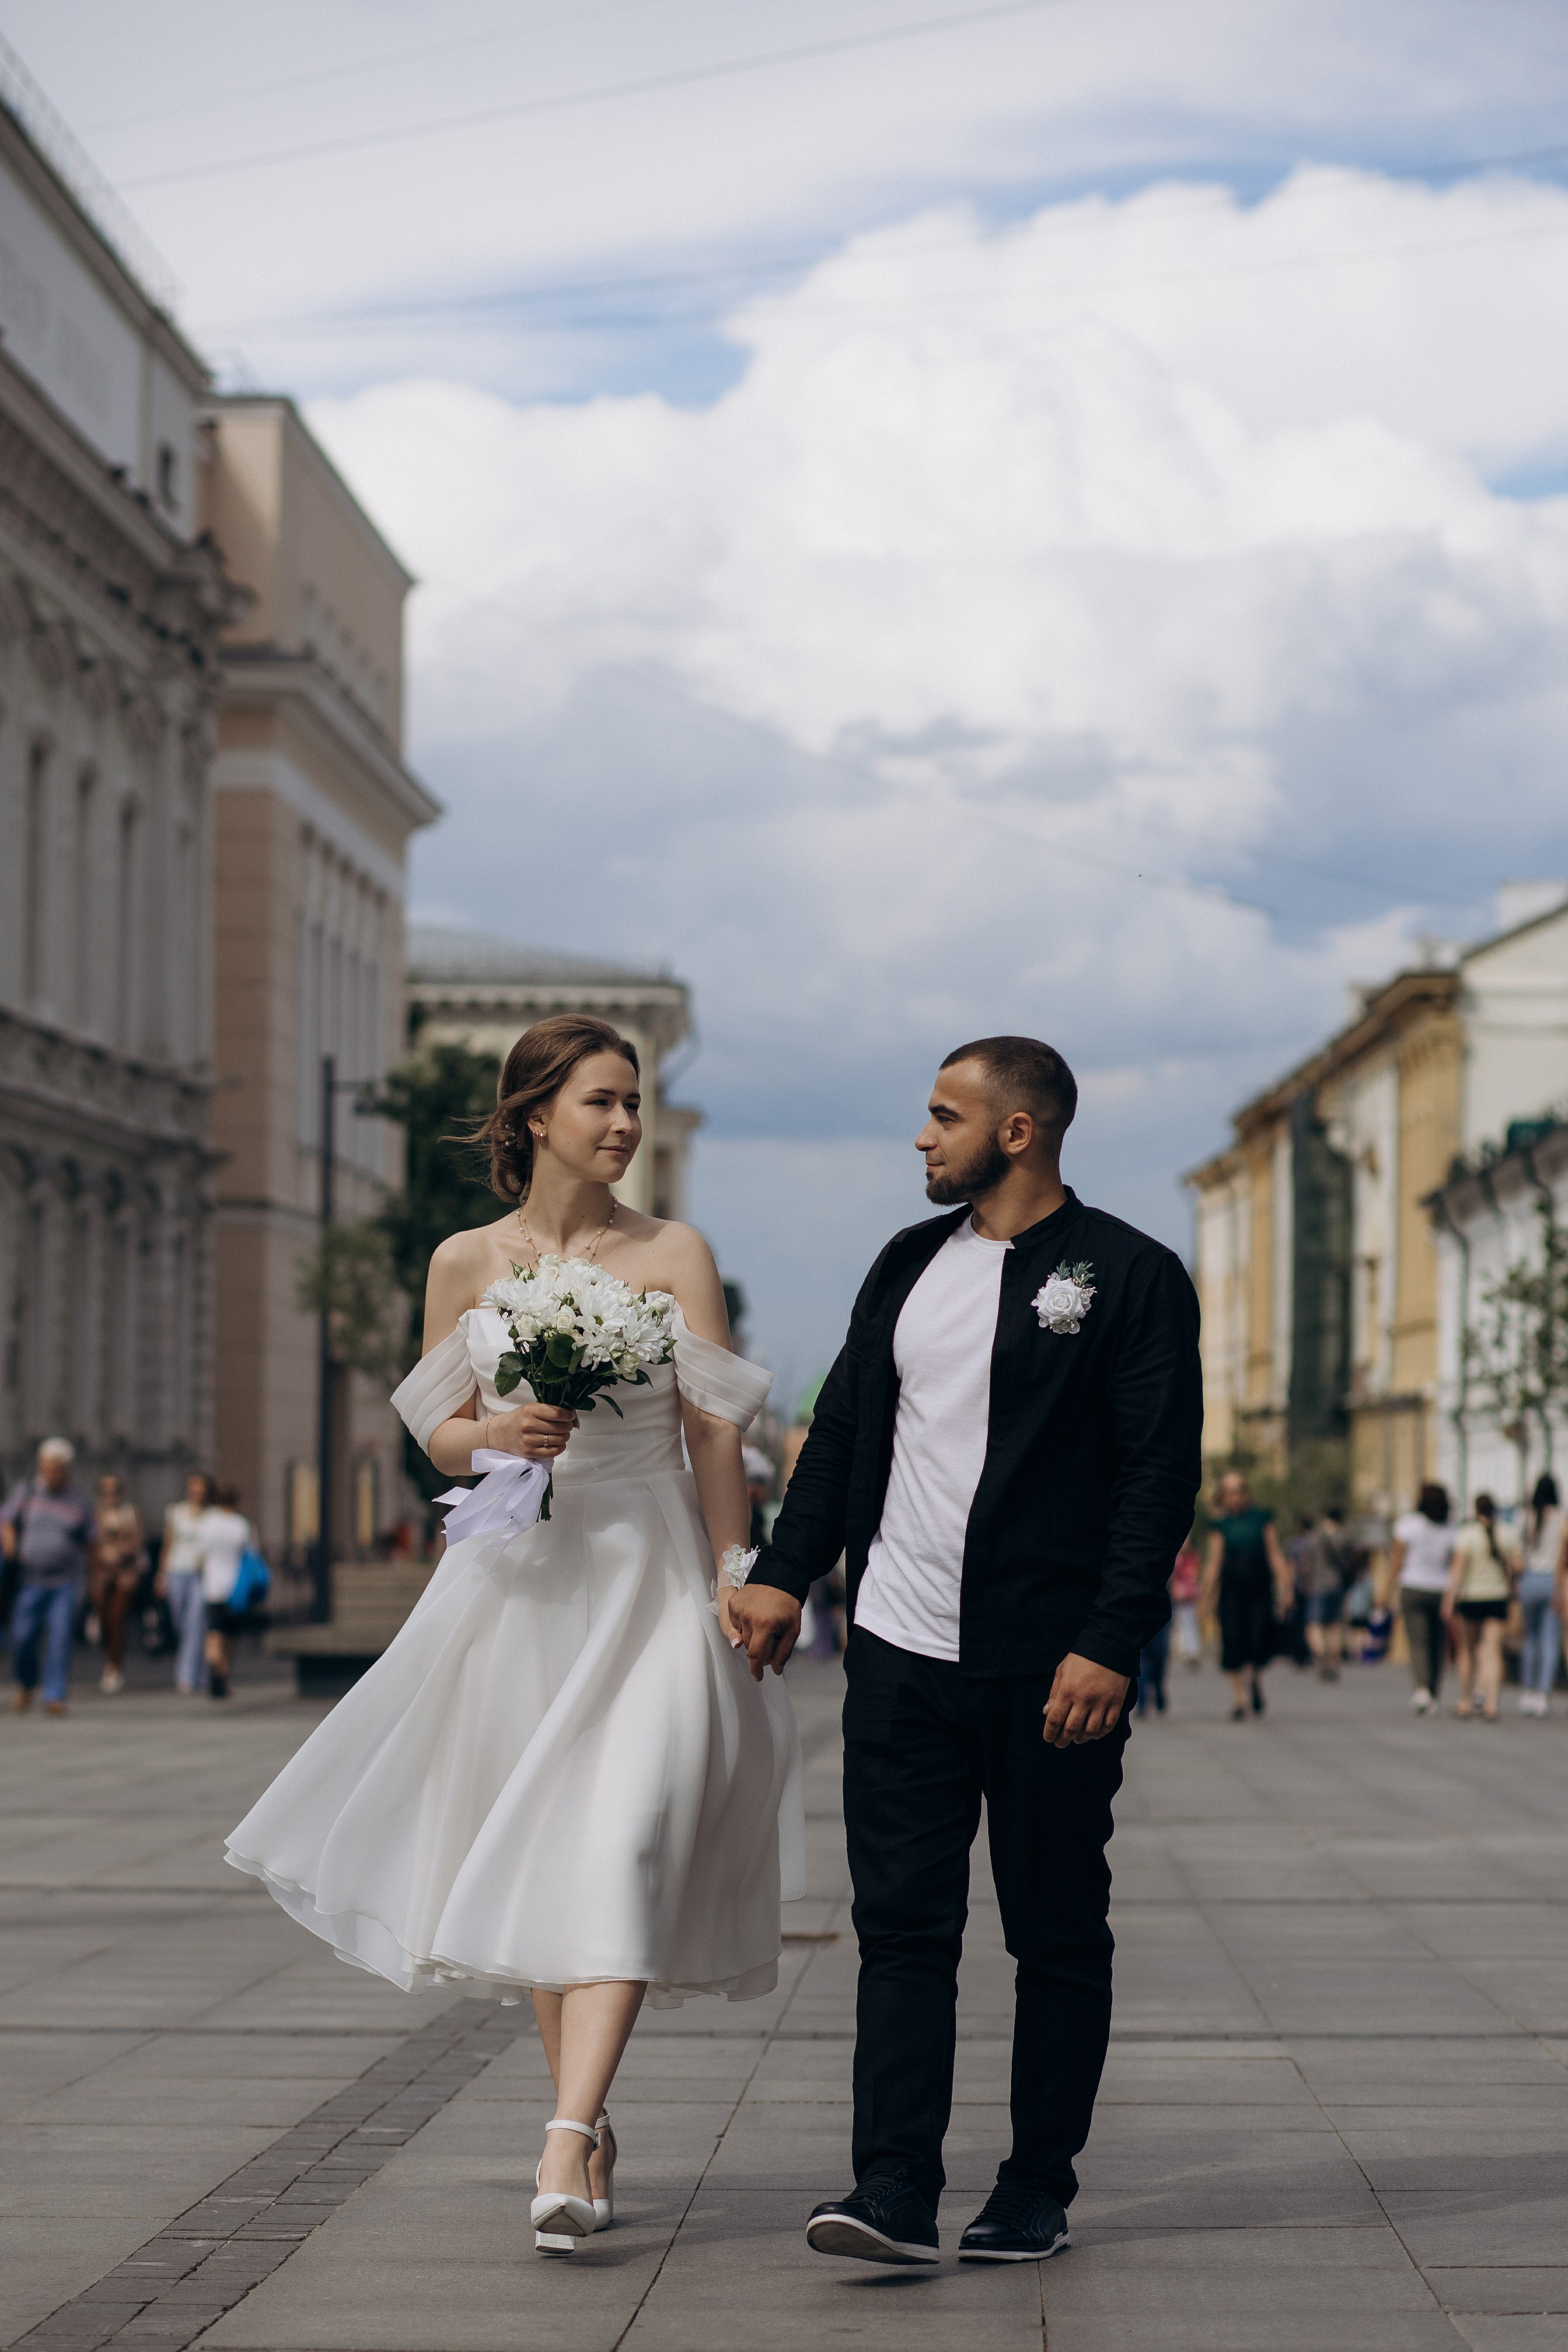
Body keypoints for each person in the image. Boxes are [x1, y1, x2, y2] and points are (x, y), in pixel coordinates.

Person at [227, 1015, 800, 2256]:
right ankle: (584, 2127)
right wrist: (493, 1435)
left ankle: (564, 2130)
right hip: (518, 1578)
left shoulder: (675, 1252)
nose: (627, 1122)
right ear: (536, 1115)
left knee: (627, 1831)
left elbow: (713, 1432)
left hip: (649, 1573)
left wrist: (737, 1570)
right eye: (602, 1100)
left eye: (635, 1101)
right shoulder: (464, 1260)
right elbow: (437, 1430)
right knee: (551, 1844)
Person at [731, 1035, 1201, 2269]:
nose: (922, 1135)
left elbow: (1156, 1475)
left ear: (1017, 1131)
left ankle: (1035, 2187)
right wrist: (785, 1570)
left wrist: (1109, 1640)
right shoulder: (906, 1262)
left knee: (1054, 1930)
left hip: (1052, 1668)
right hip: (898, 1652)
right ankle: (892, 2185)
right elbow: (840, 1432)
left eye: (945, 1115)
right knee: (901, 1929)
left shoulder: (1131, 1275)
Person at [3, 1439, 95, 1716]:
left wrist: (92, 1577)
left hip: (64, 1581)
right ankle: (26, 1683)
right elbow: (6, 1520)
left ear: (68, 1470)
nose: (52, 1473)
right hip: (29, 1579)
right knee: (22, 1637)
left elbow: (90, 1541)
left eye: (58, 1468)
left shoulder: (79, 1500)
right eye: (48, 1468)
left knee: (60, 1638)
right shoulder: (27, 1491)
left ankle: (54, 1694)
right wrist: (10, 1544)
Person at [1202, 1472, 1292, 1721]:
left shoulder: (1262, 1519)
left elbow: (1274, 1554)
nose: (1236, 1496)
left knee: (1257, 1638)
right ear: (1223, 1496)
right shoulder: (1221, 1525)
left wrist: (1286, 1587)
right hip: (1231, 1590)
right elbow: (1214, 1561)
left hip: (1259, 1589)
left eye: (1240, 1490)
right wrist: (1207, 1592)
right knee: (1232, 1641)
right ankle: (1239, 1699)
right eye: (1230, 1492)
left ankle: (1254, 1677)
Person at [1442, 1493, 1519, 1722]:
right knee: (1493, 1651)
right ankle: (1491, 1703)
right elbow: (1519, 1565)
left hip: (1471, 1598)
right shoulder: (1507, 1533)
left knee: (1467, 1650)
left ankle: (1465, 1700)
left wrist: (1449, 1598)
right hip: (1497, 1597)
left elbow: (1458, 1569)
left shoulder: (1467, 1534)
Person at [1389, 1483, 1455, 1713]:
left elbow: (1397, 1561)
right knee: (1438, 1643)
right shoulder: (1451, 1530)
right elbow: (1454, 1564)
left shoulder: (1407, 1526)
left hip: (1413, 1587)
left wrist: (1386, 1590)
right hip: (1442, 1590)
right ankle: (1433, 1692)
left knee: (1418, 1641)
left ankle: (1423, 1688)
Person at [89, 1473, 145, 1696]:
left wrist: (123, 1552)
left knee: (117, 1618)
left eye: (114, 1492)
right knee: (104, 1620)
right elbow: (90, 1543)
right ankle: (108, 1658)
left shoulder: (130, 1513)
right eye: (106, 1492)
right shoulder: (95, 1514)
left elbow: (138, 1539)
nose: (110, 1496)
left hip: (125, 1572)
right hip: (103, 1573)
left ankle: (115, 1666)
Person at [197, 1487, 254, 1700]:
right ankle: (224, 1672)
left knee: (214, 1631)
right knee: (230, 1635)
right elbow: (252, 1554)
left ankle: (214, 1663)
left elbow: (200, 1553)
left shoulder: (208, 1523)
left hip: (212, 1586)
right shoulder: (242, 1525)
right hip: (236, 1588)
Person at [159, 1472, 213, 1694]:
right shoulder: (176, 1512)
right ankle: (201, 1672)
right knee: (180, 1623)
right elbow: (168, 1543)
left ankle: (187, 1677)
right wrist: (161, 1574)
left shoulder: (212, 1515)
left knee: (196, 1623)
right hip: (176, 1570)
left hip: (201, 1575)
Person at [1517, 1473, 1564, 1717]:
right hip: (1552, 1580)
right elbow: (1562, 1558)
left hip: (1529, 1579)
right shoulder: (1561, 1519)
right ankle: (1543, 1694)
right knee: (1550, 1640)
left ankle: (1528, 1691)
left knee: (1531, 1638)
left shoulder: (1525, 1517)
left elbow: (1517, 1554)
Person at [1300, 1507, 1353, 1681]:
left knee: (1314, 1625)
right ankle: (1334, 1661)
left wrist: (1305, 1584)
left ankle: (1322, 1657)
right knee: (1334, 1625)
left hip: (1318, 1586)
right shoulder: (1344, 1537)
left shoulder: (1315, 1537)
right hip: (1337, 1585)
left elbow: (1306, 1563)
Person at [1169, 1531, 1202, 1669]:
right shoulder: (1177, 1558)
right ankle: (1180, 1650)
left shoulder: (1193, 1557)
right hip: (1177, 1594)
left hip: (1188, 1594)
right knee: (1177, 1623)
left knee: (1190, 1622)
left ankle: (1192, 1651)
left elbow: (1195, 1575)